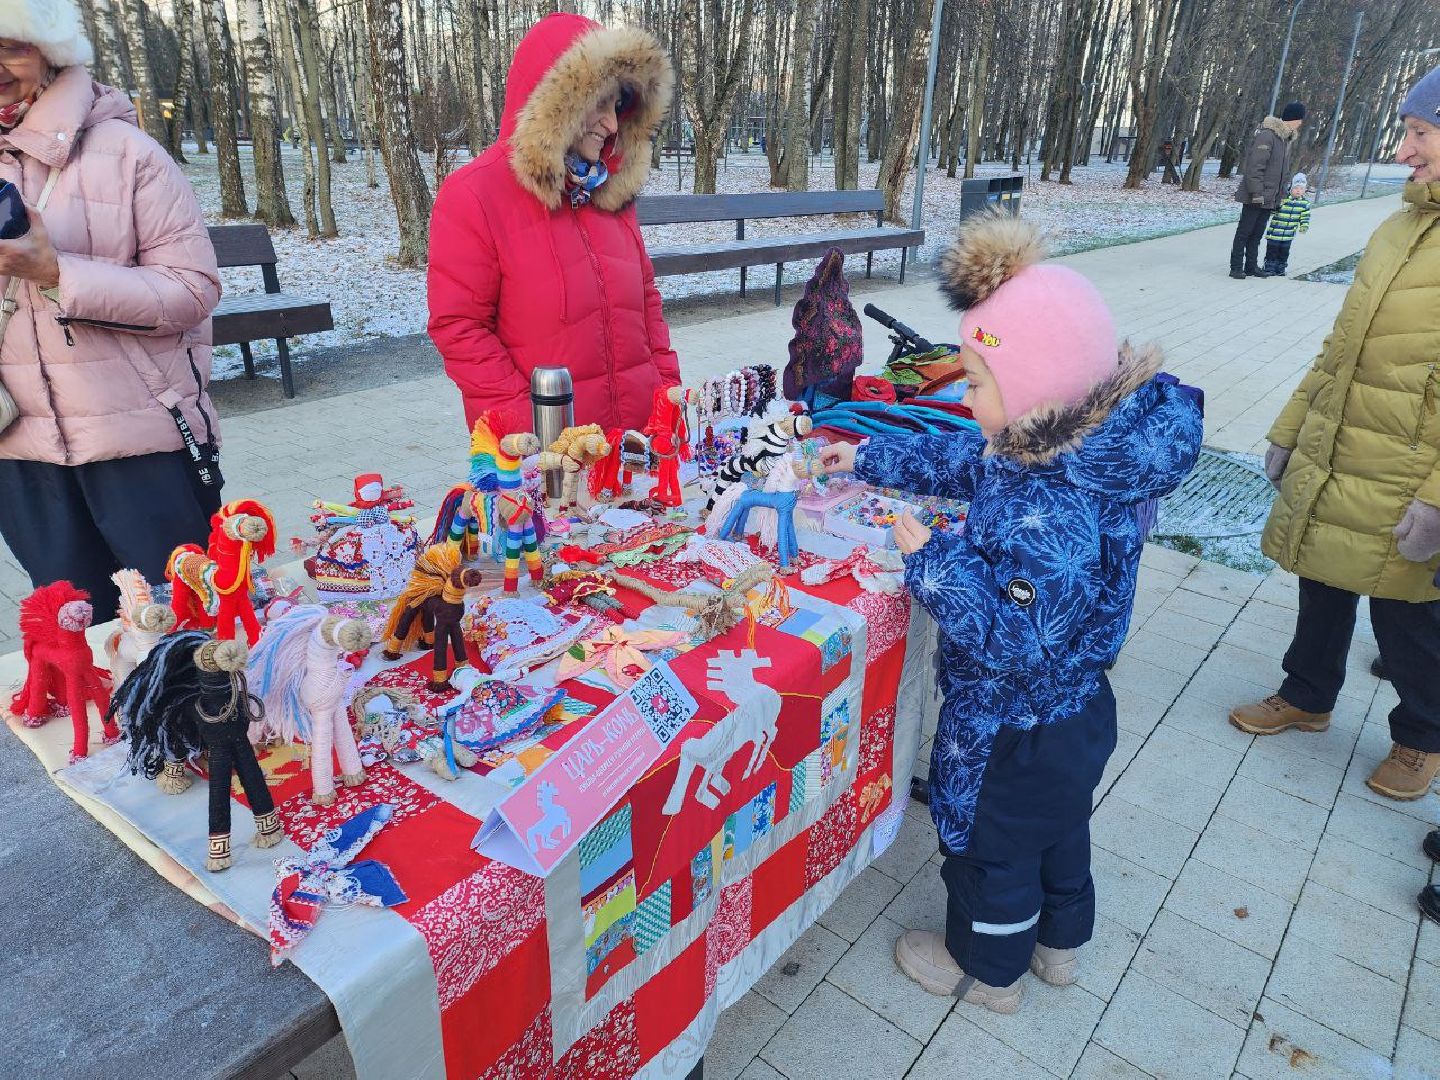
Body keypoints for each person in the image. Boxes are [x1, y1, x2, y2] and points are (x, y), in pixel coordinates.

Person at [814, 213, 1202, 1012]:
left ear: (1033, 389)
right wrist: (874, 456)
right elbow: (968, 456)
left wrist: (935, 560)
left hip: (1011, 725)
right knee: (1060, 830)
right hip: (1075, 715)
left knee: (991, 846)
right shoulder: (1056, 453)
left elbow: (1016, 636)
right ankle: (1060, 947)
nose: (963, 392)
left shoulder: (1051, 505)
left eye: (978, 381)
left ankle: (984, 970)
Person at [1233, 64, 1440, 802]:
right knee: (1321, 572)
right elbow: (1338, 347)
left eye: (1420, 132)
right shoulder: (1399, 227)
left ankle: (1422, 736)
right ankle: (1308, 694)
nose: (1405, 150)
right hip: (1342, 443)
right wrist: (1291, 429)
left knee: (1407, 610)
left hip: (1411, 469)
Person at [0, 1, 222, 618]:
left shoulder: (128, 154)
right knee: (84, 632)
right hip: (19, 452)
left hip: (139, 443)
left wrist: (56, 272)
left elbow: (193, 289)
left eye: (10, 45)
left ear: (49, 51)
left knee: (187, 629)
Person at [427, 13, 681, 435]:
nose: (612, 124)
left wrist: (666, 397)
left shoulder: (610, 191)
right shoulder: (473, 195)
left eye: (618, 106)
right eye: (600, 102)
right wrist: (536, 427)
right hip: (548, 459)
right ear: (556, 102)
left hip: (635, 449)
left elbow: (646, 302)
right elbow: (460, 329)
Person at [1229, 101, 1304, 279]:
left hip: (1270, 197)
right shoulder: (1267, 136)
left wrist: (1280, 196)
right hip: (1256, 194)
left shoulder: (1284, 140)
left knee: (1257, 233)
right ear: (1292, 119)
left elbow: (1281, 173)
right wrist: (1256, 193)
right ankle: (1236, 266)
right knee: (1245, 232)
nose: (1301, 123)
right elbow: (1255, 167)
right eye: (1299, 119)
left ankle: (1251, 266)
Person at [1263, 173, 1312, 276]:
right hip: (1275, 233)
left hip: (1288, 234)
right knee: (1272, 251)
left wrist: (1304, 226)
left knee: (1284, 252)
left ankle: (1280, 268)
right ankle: (1269, 268)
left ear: (1304, 190)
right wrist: (1277, 207)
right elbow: (1273, 211)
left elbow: (1305, 217)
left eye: (1301, 189)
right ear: (1291, 189)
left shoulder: (1304, 204)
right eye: (1296, 188)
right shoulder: (1283, 200)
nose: (1298, 191)